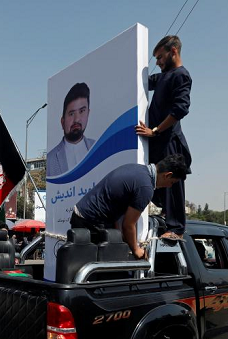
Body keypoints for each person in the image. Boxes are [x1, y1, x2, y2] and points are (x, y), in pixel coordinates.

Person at [70, 154, 189, 259]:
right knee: (106, 269)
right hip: (90, 222)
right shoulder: (145, 188)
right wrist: (136, 250)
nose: (169, 186)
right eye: (172, 182)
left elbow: (114, 203)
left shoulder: (137, 169)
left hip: (83, 215)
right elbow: (128, 225)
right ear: (167, 175)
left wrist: (118, 234)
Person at [135, 35, 192, 240]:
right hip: (156, 143)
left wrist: (156, 130)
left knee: (172, 182)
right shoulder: (162, 77)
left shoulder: (180, 75)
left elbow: (180, 109)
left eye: (159, 57)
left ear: (173, 51)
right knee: (154, 181)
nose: (157, 62)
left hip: (169, 140)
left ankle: (176, 229)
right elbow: (143, 82)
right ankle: (167, 215)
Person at [47, 82, 95, 177]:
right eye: (71, 114)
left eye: (82, 111)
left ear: (88, 113)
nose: (77, 119)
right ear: (62, 121)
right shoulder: (51, 159)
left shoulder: (98, 149)